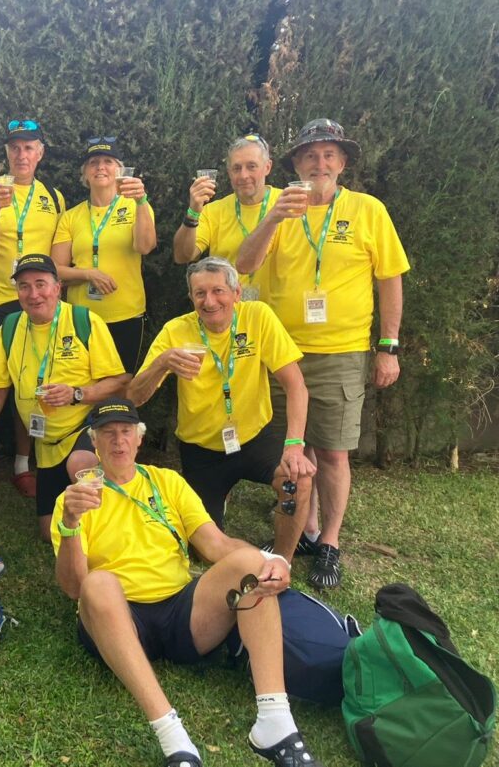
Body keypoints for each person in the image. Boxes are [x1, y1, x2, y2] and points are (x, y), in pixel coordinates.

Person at [53, 398, 324, 767]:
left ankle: (275, 721)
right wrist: (70, 522)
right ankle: (174, 739)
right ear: (94, 444)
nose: (118, 441)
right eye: (107, 434)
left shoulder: (167, 482)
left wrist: (272, 560)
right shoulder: (75, 499)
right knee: (99, 584)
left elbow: (217, 544)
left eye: (126, 432)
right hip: (117, 621)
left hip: (182, 612)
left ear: (139, 440)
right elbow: (74, 587)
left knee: (249, 562)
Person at [236, 118, 410, 589]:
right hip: (282, 352)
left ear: (343, 162)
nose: (320, 163)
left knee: (332, 454)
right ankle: (305, 531)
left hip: (341, 350)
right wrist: (273, 217)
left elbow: (389, 278)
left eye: (329, 154)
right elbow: (244, 267)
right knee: (293, 451)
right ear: (294, 164)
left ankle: (329, 543)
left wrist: (388, 346)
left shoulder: (368, 210)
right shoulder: (276, 207)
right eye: (310, 155)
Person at [128, 258, 314, 561]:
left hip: (256, 437)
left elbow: (296, 386)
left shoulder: (258, 317)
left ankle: (283, 562)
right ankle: (225, 519)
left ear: (236, 293)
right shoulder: (176, 332)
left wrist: (294, 445)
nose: (209, 301)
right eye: (200, 293)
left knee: (298, 482)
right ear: (191, 298)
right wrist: (162, 363)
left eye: (218, 291)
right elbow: (134, 397)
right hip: (202, 449)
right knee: (203, 554)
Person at [0, 255, 128, 539]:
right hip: (47, 444)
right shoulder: (10, 328)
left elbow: (119, 381)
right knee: (49, 532)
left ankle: (114, 533)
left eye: (41, 284)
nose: (33, 294)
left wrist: (77, 393)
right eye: (24, 286)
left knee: (81, 469)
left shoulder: (84, 321)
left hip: (84, 430)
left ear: (58, 287)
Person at [0, 119, 66, 499]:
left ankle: (24, 464)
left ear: (40, 153)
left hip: (38, 300)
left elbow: (58, 260)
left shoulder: (54, 198)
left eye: (29, 147)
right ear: (6, 153)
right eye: (15, 148)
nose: (21, 154)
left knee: (33, 381)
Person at [51, 136, 156, 372]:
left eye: (108, 161)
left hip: (126, 315)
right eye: (93, 162)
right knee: (83, 384)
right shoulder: (71, 216)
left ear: (119, 171)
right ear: (85, 174)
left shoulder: (136, 206)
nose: (100, 167)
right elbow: (54, 268)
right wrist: (89, 274)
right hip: (81, 317)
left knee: (120, 387)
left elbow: (145, 246)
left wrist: (141, 201)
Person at [172, 134, 280, 303]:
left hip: (279, 318)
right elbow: (182, 255)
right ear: (229, 172)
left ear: (267, 167)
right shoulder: (213, 211)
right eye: (237, 168)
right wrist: (193, 211)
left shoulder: (289, 204)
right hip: (229, 316)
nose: (243, 175)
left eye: (251, 166)